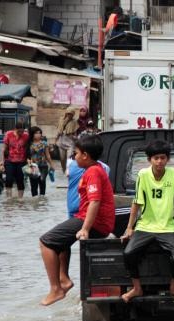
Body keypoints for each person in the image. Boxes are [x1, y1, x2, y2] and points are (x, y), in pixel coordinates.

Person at [39, 135, 115, 306]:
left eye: (76, 153)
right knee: (59, 242)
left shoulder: (94, 172)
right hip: (91, 219)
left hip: (94, 221)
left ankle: (56, 289)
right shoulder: (93, 170)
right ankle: (64, 280)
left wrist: (86, 228)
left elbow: (95, 201)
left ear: (86, 155)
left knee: (45, 242)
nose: (74, 157)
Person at [120, 140, 174, 303]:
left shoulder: (173, 174)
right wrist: (129, 228)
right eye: (156, 158)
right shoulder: (143, 175)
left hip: (167, 227)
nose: (159, 161)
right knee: (129, 253)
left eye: (163, 158)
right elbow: (136, 202)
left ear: (168, 159)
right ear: (149, 159)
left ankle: (173, 287)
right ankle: (137, 288)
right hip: (145, 226)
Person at [66, 153, 110, 218]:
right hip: (82, 207)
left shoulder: (70, 163)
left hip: (75, 206)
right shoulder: (103, 167)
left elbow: (67, 174)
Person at [2, 120, 29, 198]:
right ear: (15, 129)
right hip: (9, 160)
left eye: (22, 131)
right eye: (19, 131)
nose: (21, 133)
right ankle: (9, 198)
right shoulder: (8, 134)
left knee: (20, 180)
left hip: (21, 161)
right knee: (9, 179)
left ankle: (20, 198)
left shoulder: (26, 135)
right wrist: (2, 161)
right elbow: (4, 148)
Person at [26, 126, 54, 197]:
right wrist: (28, 162)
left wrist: (52, 165)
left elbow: (48, 155)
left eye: (40, 133)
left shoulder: (44, 143)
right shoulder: (29, 144)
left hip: (43, 166)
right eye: (36, 133)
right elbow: (27, 156)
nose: (39, 134)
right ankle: (35, 203)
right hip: (33, 167)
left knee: (42, 182)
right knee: (33, 185)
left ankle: (42, 201)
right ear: (32, 134)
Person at [56, 107, 79, 174]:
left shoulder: (74, 122)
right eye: (68, 113)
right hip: (62, 141)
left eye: (71, 114)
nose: (69, 115)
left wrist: (74, 137)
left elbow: (75, 134)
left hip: (70, 142)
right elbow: (59, 131)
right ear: (66, 113)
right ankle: (64, 169)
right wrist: (56, 140)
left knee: (69, 158)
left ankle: (68, 171)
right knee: (62, 158)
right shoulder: (61, 120)